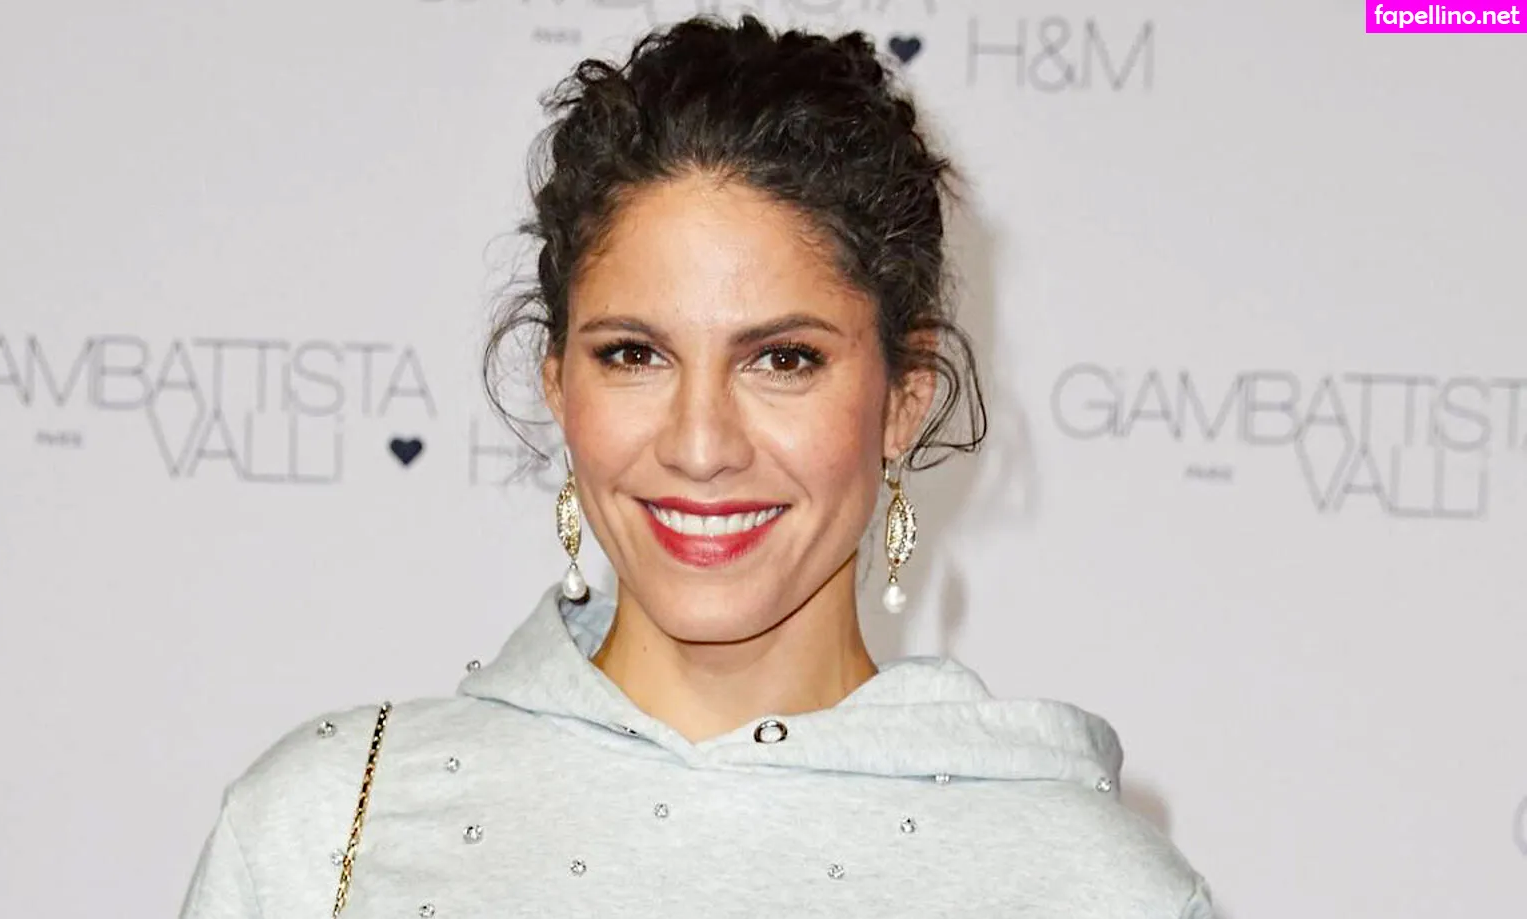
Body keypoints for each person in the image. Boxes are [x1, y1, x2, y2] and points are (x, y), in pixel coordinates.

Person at [179, 14, 1212, 919]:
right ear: (557, 384)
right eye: (634, 355)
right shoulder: (328, 826)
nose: (701, 445)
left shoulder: (1093, 889)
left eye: (782, 359)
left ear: (905, 395)